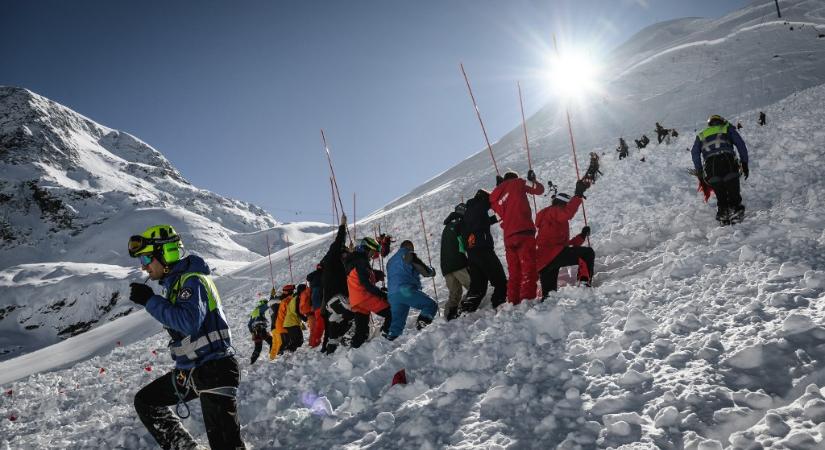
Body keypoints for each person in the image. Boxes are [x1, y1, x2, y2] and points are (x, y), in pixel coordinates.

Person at [127, 225, 244, 449]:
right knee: (146, 402)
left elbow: (188, 322)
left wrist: (150, 301)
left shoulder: (193, 281)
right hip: (192, 372)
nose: (143, 267)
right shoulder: (175, 285)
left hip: (215, 370)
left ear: (166, 254)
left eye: (146, 259)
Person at [490, 169, 545, 304]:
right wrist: (533, 180)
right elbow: (539, 190)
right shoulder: (518, 182)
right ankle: (527, 300)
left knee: (514, 272)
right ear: (515, 177)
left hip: (509, 238)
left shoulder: (495, 198)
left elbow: (501, 221)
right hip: (524, 232)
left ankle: (513, 301)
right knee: (528, 268)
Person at [535, 184, 596, 297]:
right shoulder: (553, 211)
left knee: (549, 296)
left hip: (544, 262)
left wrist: (582, 236)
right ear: (562, 204)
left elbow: (565, 246)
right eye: (567, 205)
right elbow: (567, 213)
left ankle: (546, 306)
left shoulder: (551, 219)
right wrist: (577, 196)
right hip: (554, 254)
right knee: (587, 253)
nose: (568, 208)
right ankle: (583, 284)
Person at [690, 114, 750, 224]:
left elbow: (694, 153)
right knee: (733, 189)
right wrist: (744, 163)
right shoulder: (727, 129)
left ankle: (723, 213)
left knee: (720, 193)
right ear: (721, 121)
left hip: (710, 167)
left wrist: (700, 171)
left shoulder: (701, 135)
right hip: (727, 161)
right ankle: (735, 211)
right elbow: (740, 144)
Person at [460, 189, 508, 312]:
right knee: (499, 279)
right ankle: (499, 303)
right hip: (483, 250)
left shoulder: (469, 210)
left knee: (478, 285)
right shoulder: (480, 206)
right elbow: (491, 207)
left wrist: (496, 218)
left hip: (471, 253)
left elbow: (481, 223)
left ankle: (466, 310)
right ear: (483, 199)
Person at [386, 240, 438, 340]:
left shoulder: (390, 261)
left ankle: (391, 340)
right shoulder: (408, 254)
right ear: (409, 247)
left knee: (396, 324)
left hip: (392, 295)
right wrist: (431, 272)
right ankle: (422, 329)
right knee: (430, 305)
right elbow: (423, 269)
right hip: (405, 291)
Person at [346, 237, 392, 347]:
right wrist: (383, 295)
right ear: (364, 249)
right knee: (392, 312)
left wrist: (375, 275)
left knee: (361, 332)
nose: (372, 255)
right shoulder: (361, 262)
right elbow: (366, 284)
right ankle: (386, 338)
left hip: (356, 301)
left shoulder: (355, 261)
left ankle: (355, 350)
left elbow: (359, 278)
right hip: (365, 297)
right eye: (372, 252)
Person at [319, 214, 351, 354]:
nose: (345, 256)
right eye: (344, 253)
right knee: (355, 311)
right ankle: (351, 338)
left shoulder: (331, 266)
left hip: (330, 301)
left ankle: (330, 349)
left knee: (336, 322)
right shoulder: (333, 257)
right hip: (337, 298)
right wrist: (342, 226)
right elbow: (338, 242)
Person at [441, 204, 471, 320]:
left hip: (446, 266)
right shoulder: (460, 223)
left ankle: (449, 316)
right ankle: (466, 307)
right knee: (473, 285)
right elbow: (465, 241)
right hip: (458, 263)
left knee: (455, 293)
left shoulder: (447, 226)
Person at [268, 284, 305, 359]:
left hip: (276, 325)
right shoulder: (284, 301)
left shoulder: (274, 302)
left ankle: (273, 358)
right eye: (291, 291)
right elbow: (291, 312)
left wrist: (272, 295)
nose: (292, 292)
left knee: (278, 343)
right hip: (282, 324)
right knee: (284, 343)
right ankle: (279, 357)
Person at [247, 295, 272, 364]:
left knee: (258, 348)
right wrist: (272, 298)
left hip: (255, 331)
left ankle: (252, 361)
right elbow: (268, 305)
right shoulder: (261, 308)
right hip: (261, 329)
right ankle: (276, 354)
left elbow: (249, 324)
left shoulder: (254, 312)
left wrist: (252, 333)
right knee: (272, 342)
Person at [305, 264, 325, 348]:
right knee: (321, 323)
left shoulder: (312, 277)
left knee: (317, 323)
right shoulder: (324, 274)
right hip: (321, 299)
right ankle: (315, 342)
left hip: (314, 302)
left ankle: (313, 342)